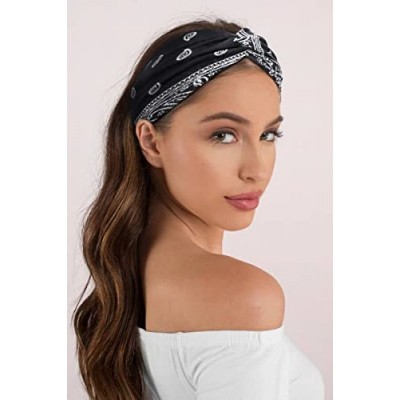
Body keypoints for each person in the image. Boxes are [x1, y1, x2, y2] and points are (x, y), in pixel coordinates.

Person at [72, 17, 325, 400]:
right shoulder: (243, 296)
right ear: (151, 142)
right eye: (223, 135)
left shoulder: (125, 277)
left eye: (268, 134)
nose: (256, 169)